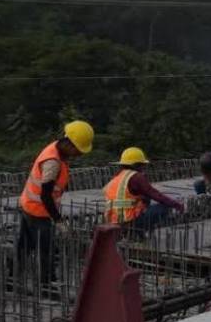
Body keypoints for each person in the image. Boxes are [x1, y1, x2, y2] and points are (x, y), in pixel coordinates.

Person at [12, 119, 93, 290]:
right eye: (78, 150)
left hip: (28, 205)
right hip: (38, 211)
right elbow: (45, 195)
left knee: (24, 246)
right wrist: (59, 220)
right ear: (69, 143)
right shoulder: (53, 162)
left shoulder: (56, 149)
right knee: (47, 249)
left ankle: (12, 281)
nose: (78, 154)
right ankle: (47, 285)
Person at [104, 147, 185, 232]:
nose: (144, 167)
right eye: (142, 165)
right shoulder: (136, 177)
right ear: (136, 165)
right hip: (129, 222)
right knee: (163, 207)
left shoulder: (116, 177)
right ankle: (137, 232)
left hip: (113, 222)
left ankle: (133, 233)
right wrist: (176, 204)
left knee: (145, 200)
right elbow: (155, 195)